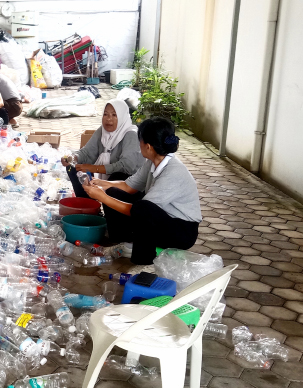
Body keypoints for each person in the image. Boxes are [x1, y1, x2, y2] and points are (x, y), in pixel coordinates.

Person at [81, 117, 201, 265]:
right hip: (161, 217)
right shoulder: (153, 161)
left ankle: (143, 262)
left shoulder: (174, 172)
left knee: (141, 207)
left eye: (140, 141)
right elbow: (129, 186)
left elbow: (141, 212)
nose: (139, 145)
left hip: (181, 231)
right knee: (114, 189)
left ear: (148, 146)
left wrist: (101, 197)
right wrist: (100, 184)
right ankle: (123, 240)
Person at [62, 100, 144, 197]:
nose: (108, 119)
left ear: (122, 116)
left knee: (117, 176)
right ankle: (86, 202)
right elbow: (87, 152)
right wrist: (73, 158)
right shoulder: (102, 131)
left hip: (128, 183)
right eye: (105, 114)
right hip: (103, 175)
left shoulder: (131, 134)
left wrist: (95, 168)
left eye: (114, 115)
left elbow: (126, 166)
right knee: (72, 167)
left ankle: (106, 203)